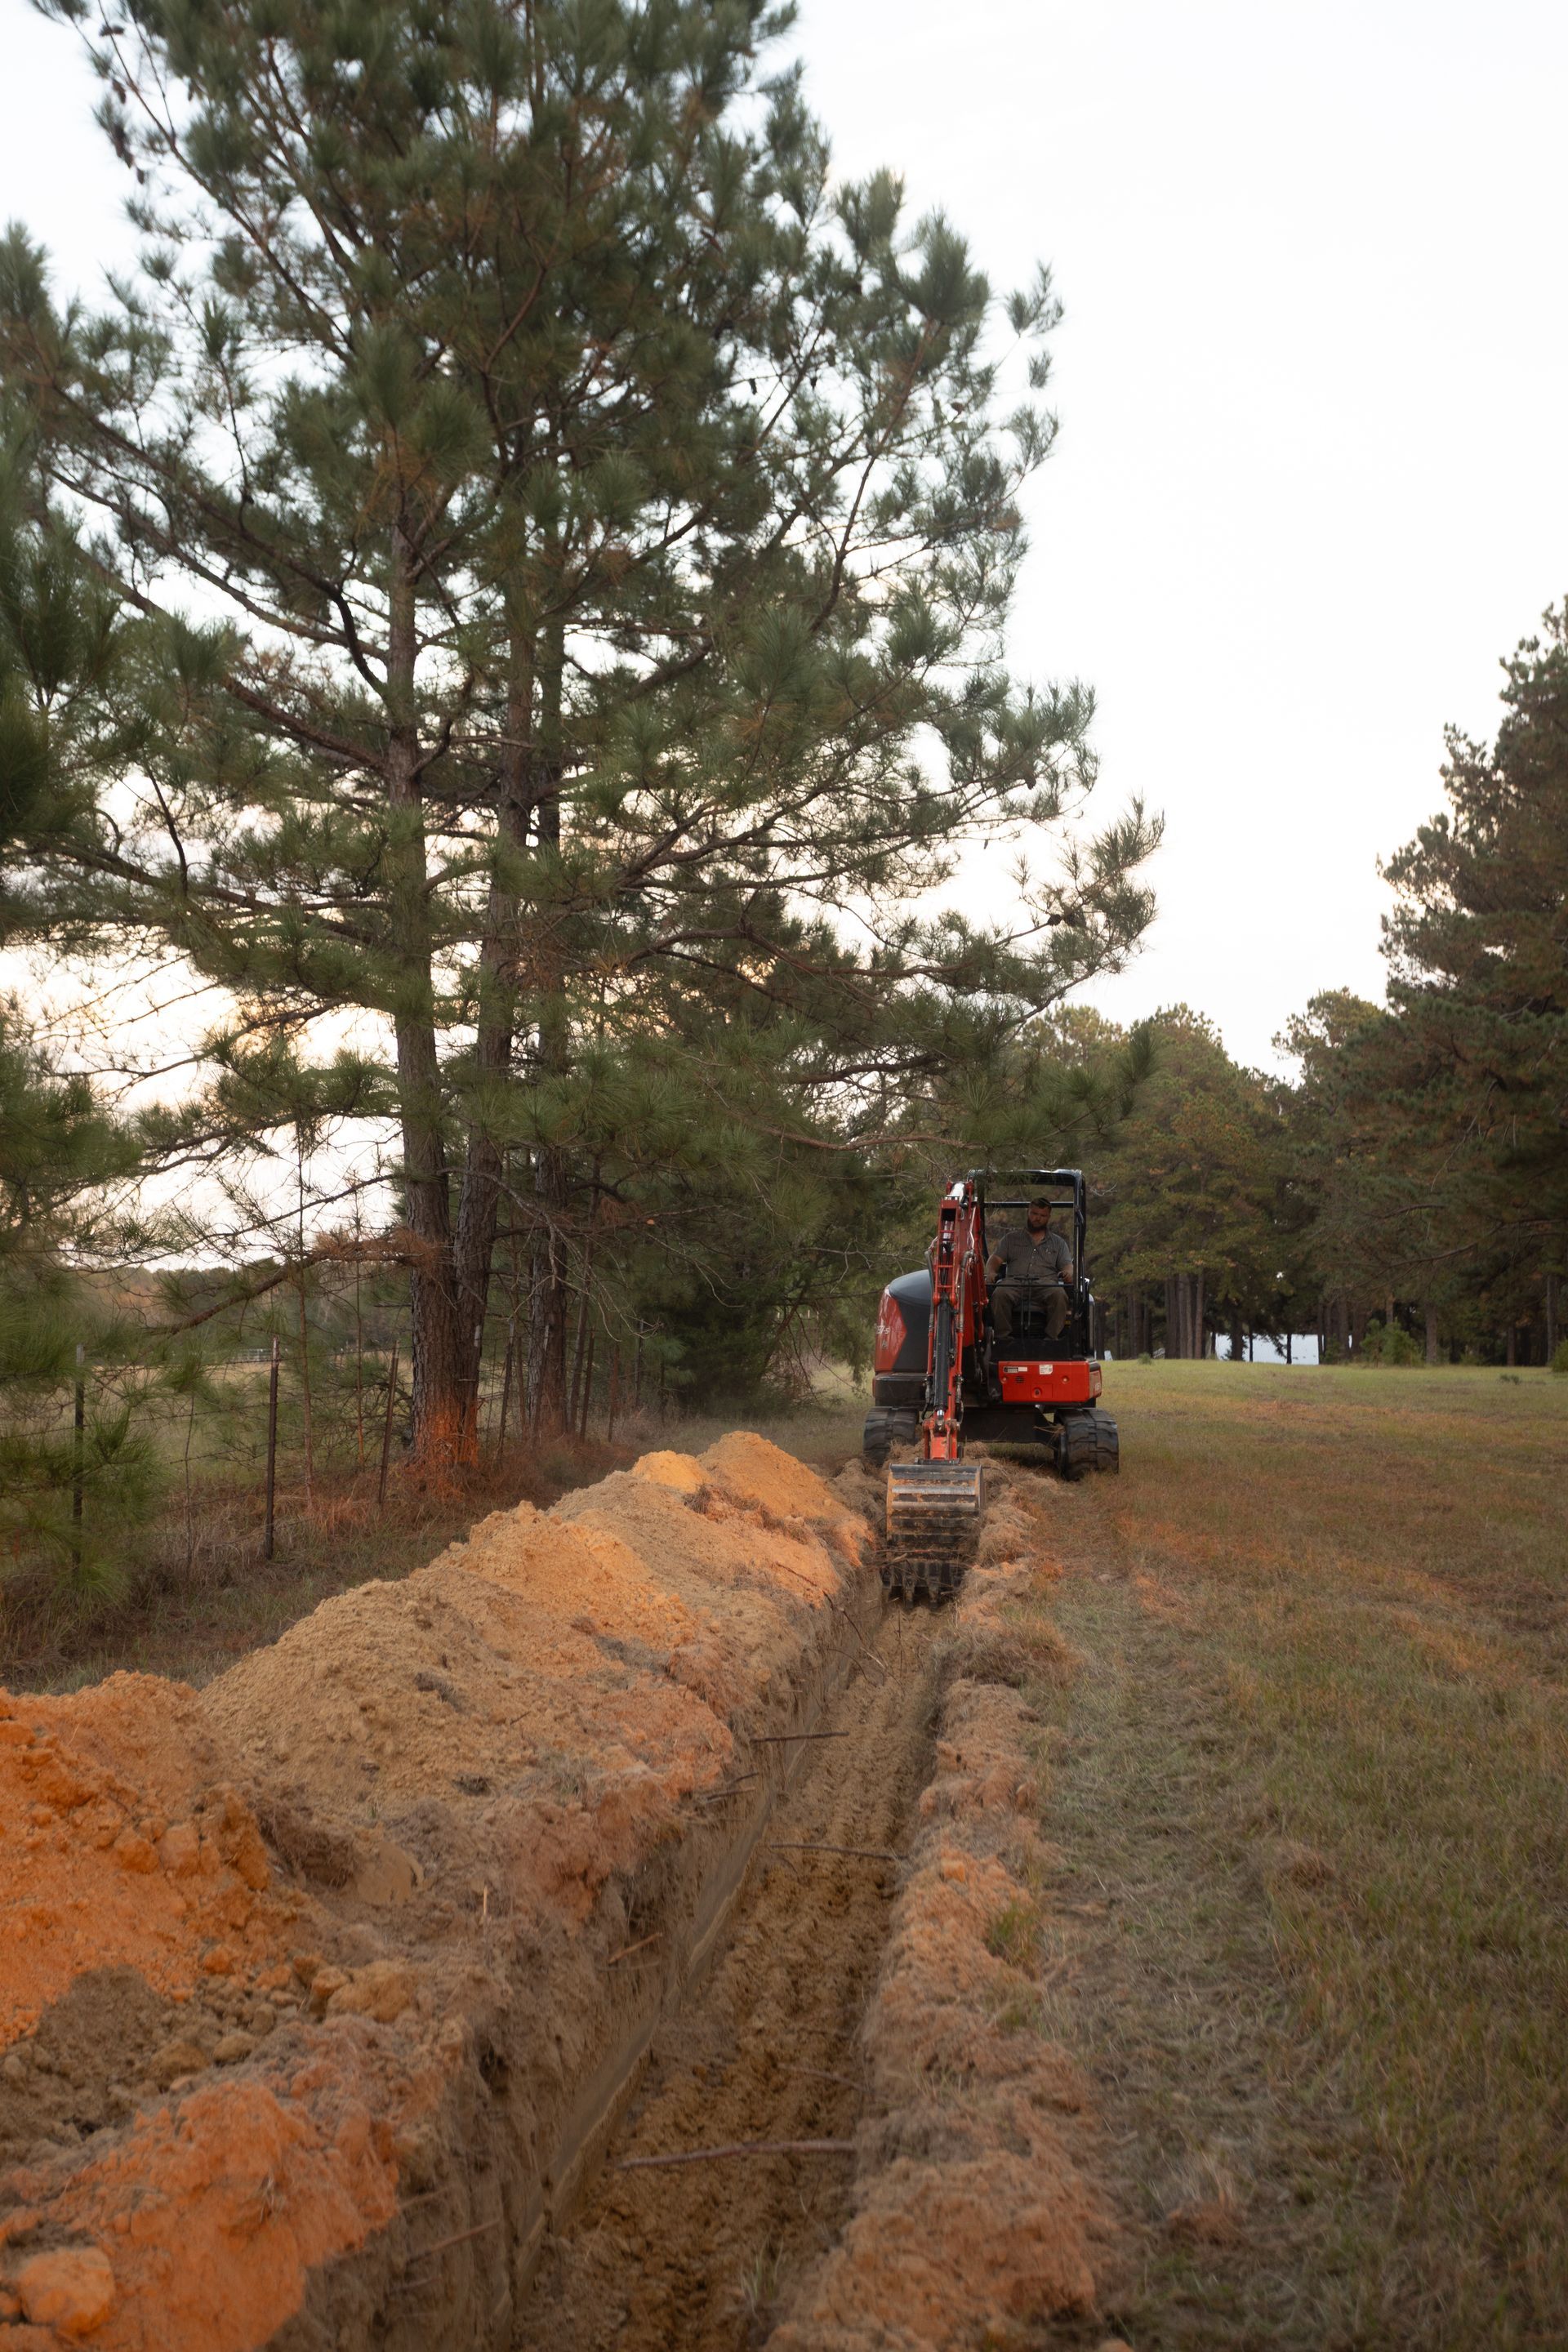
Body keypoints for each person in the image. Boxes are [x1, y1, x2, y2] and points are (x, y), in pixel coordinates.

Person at [986, 1198, 1073, 1343]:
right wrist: (991, 1272)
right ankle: (1003, 1339)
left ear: (1048, 1217)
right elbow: (994, 1260)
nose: (1037, 1218)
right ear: (1028, 1212)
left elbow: (1067, 1265)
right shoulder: (1011, 1239)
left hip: (1045, 1284)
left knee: (1059, 1295)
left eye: (1042, 1215)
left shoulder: (1058, 1243)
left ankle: (1051, 1340)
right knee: (1000, 1293)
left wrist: (1068, 1273)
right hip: (1015, 1283)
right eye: (1034, 1213)